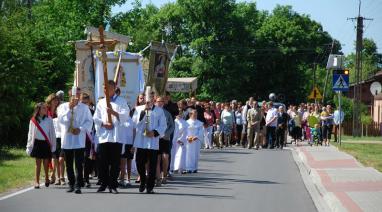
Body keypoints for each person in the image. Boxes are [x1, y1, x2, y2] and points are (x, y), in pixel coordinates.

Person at [93, 80, 130, 194]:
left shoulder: (121, 101)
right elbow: (96, 118)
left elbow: (125, 116)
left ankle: (113, 185)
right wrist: (104, 124)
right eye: (104, 88)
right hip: (104, 136)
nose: (105, 90)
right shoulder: (101, 102)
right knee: (102, 162)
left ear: (114, 88)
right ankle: (103, 183)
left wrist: (113, 113)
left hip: (116, 136)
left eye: (108, 88)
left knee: (115, 162)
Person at [58, 87, 93, 194]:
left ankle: (78, 185)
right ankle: (71, 184)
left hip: (79, 139)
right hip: (67, 139)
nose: (77, 96)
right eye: (75, 94)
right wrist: (69, 108)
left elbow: (89, 121)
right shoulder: (63, 107)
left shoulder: (84, 107)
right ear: (70, 95)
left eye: (79, 94)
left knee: (78, 164)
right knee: (68, 163)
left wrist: (81, 129)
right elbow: (61, 120)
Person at [132, 89, 167, 194]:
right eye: (147, 97)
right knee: (139, 163)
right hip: (141, 141)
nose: (149, 99)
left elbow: (163, 125)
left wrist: (155, 132)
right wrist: (143, 112)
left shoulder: (159, 111)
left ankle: (150, 186)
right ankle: (143, 179)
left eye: (151, 97)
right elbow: (134, 124)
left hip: (152, 142)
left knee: (152, 165)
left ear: (154, 98)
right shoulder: (138, 109)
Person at [26, 102, 56, 189]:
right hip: (37, 143)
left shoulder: (49, 119)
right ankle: (37, 181)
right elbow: (30, 134)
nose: (46, 109)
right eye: (43, 108)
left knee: (46, 163)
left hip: (46, 143)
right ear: (38, 110)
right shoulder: (33, 120)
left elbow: (52, 133)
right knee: (37, 163)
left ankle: (47, 178)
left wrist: (53, 145)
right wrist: (29, 146)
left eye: (46, 108)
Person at [45, 93, 64, 185]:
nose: (56, 102)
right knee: (50, 157)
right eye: (54, 100)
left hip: (57, 135)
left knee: (55, 156)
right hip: (47, 135)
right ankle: (52, 175)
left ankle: (54, 176)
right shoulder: (46, 109)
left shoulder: (59, 109)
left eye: (57, 100)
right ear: (50, 100)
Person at [156, 96, 174, 186]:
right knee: (157, 158)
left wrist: (167, 134)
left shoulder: (167, 113)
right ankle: (158, 178)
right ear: (155, 102)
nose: (160, 103)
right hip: (156, 139)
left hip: (165, 138)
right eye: (158, 101)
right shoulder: (153, 112)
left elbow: (172, 126)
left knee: (165, 157)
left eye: (162, 101)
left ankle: (164, 176)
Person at [170, 106, 188, 174]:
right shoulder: (174, 121)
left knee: (181, 154)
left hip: (181, 141)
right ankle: (172, 168)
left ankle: (181, 168)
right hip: (174, 140)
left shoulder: (185, 122)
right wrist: (176, 139)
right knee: (173, 154)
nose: (179, 114)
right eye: (178, 113)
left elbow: (185, 132)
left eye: (180, 112)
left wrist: (180, 139)